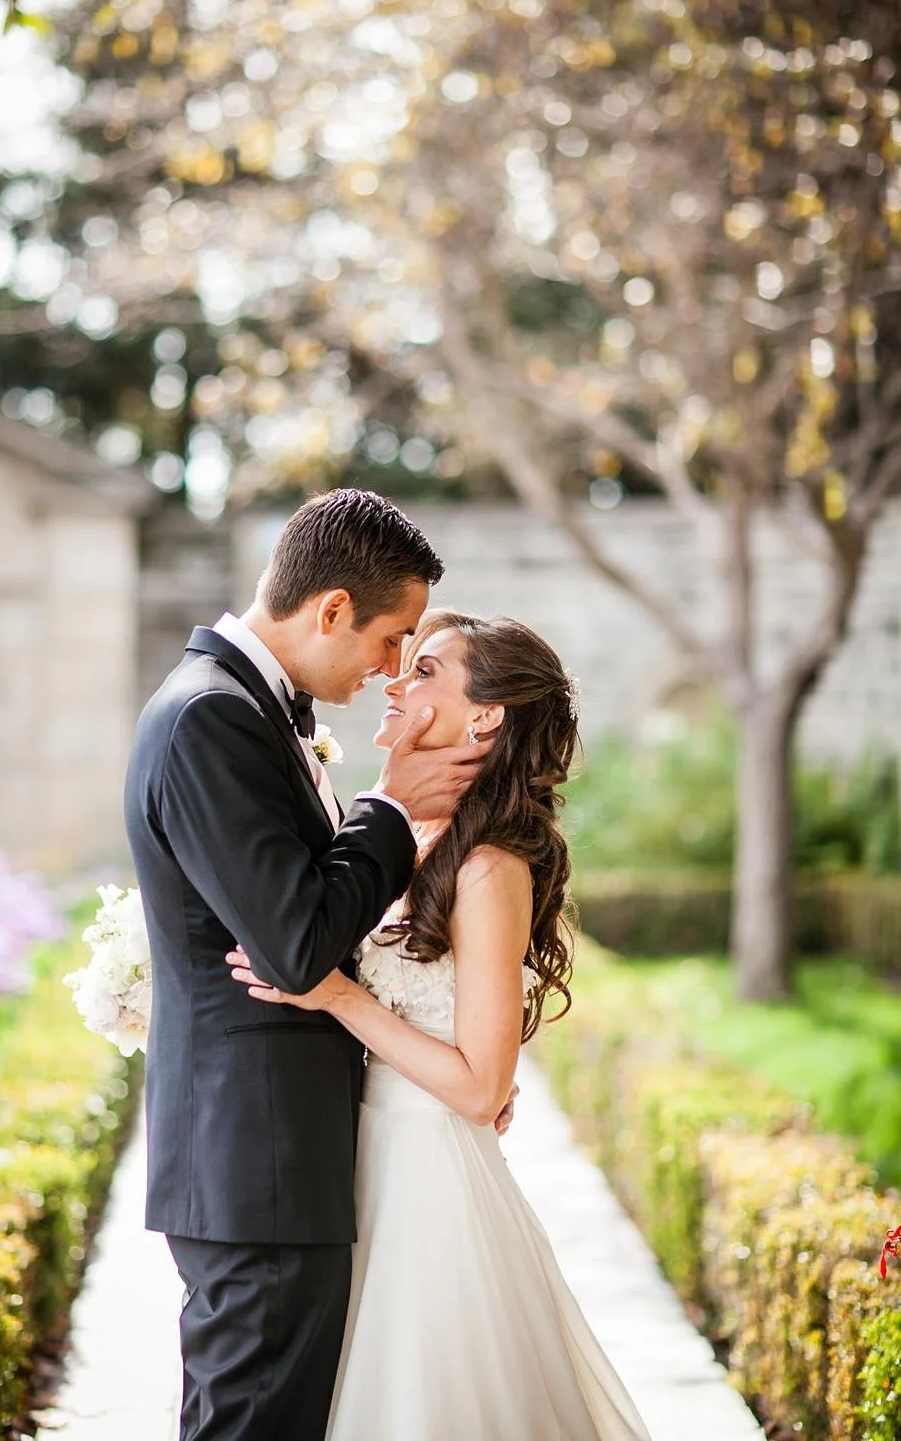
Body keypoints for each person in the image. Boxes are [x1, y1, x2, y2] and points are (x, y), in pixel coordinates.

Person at [123, 491, 498, 1441]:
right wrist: (389, 807)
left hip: (275, 1162)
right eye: (390, 641)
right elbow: (295, 947)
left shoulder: (243, 710)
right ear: (331, 609)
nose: (388, 672)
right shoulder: (211, 718)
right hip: (261, 1167)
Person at [229, 610, 654, 1441]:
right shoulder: (412, 838)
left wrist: (337, 998)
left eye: (425, 670)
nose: (395, 679)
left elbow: (480, 1085)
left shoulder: (491, 866)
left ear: (485, 716)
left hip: (426, 1180)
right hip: (360, 1158)